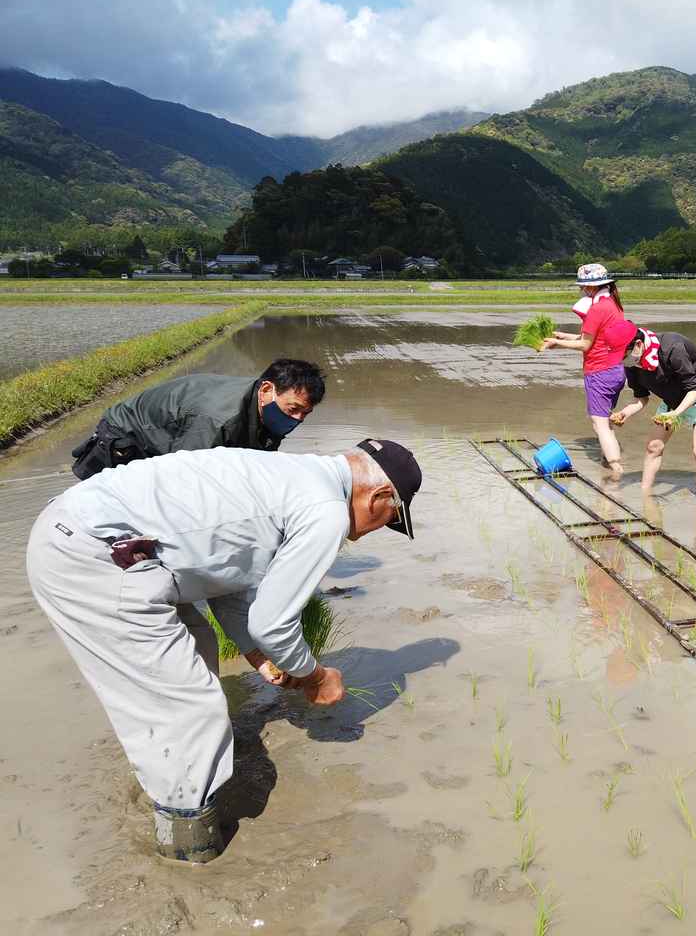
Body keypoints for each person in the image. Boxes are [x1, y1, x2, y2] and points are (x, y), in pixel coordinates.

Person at [27, 438, 421, 861]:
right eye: (390, 518)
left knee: (196, 650)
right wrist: (316, 676)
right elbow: (274, 621)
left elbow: (225, 578)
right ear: (379, 496)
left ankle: (173, 789)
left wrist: (257, 655)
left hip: (79, 531)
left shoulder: (288, 475)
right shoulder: (325, 510)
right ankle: (189, 851)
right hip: (93, 555)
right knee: (189, 708)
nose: (374, 531)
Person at [70, 358, 326, 479]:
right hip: (127, 439)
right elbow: (182, 478)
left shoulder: (268, 407)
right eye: (293, 409)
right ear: (268, 390)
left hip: (173, 439)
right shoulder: (217, 420)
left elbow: (256, 465)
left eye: (305, 413)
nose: (298, 419)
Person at [541, 264, 636, 479]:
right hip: (616, 371)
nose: (582, 291)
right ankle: (607, 460)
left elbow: (585, 345)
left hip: (599, 373)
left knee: (599, 424)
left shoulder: (596, 309)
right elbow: (592, 339)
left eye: (584, 287)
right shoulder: (613, 305)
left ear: (591, 287)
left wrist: (555, 342)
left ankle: (616, 471)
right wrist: (560, 337)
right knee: (604, 420)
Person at [610, 327, 696, 503]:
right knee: (653, 446)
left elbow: (694, 390)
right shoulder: (631, 365)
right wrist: (625, 412)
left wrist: (675, 414)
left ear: (638, 345)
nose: (622, 361)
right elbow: (641, 398)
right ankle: (645, 495)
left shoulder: (672, 348)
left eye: (623, 356)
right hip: (672, 397)